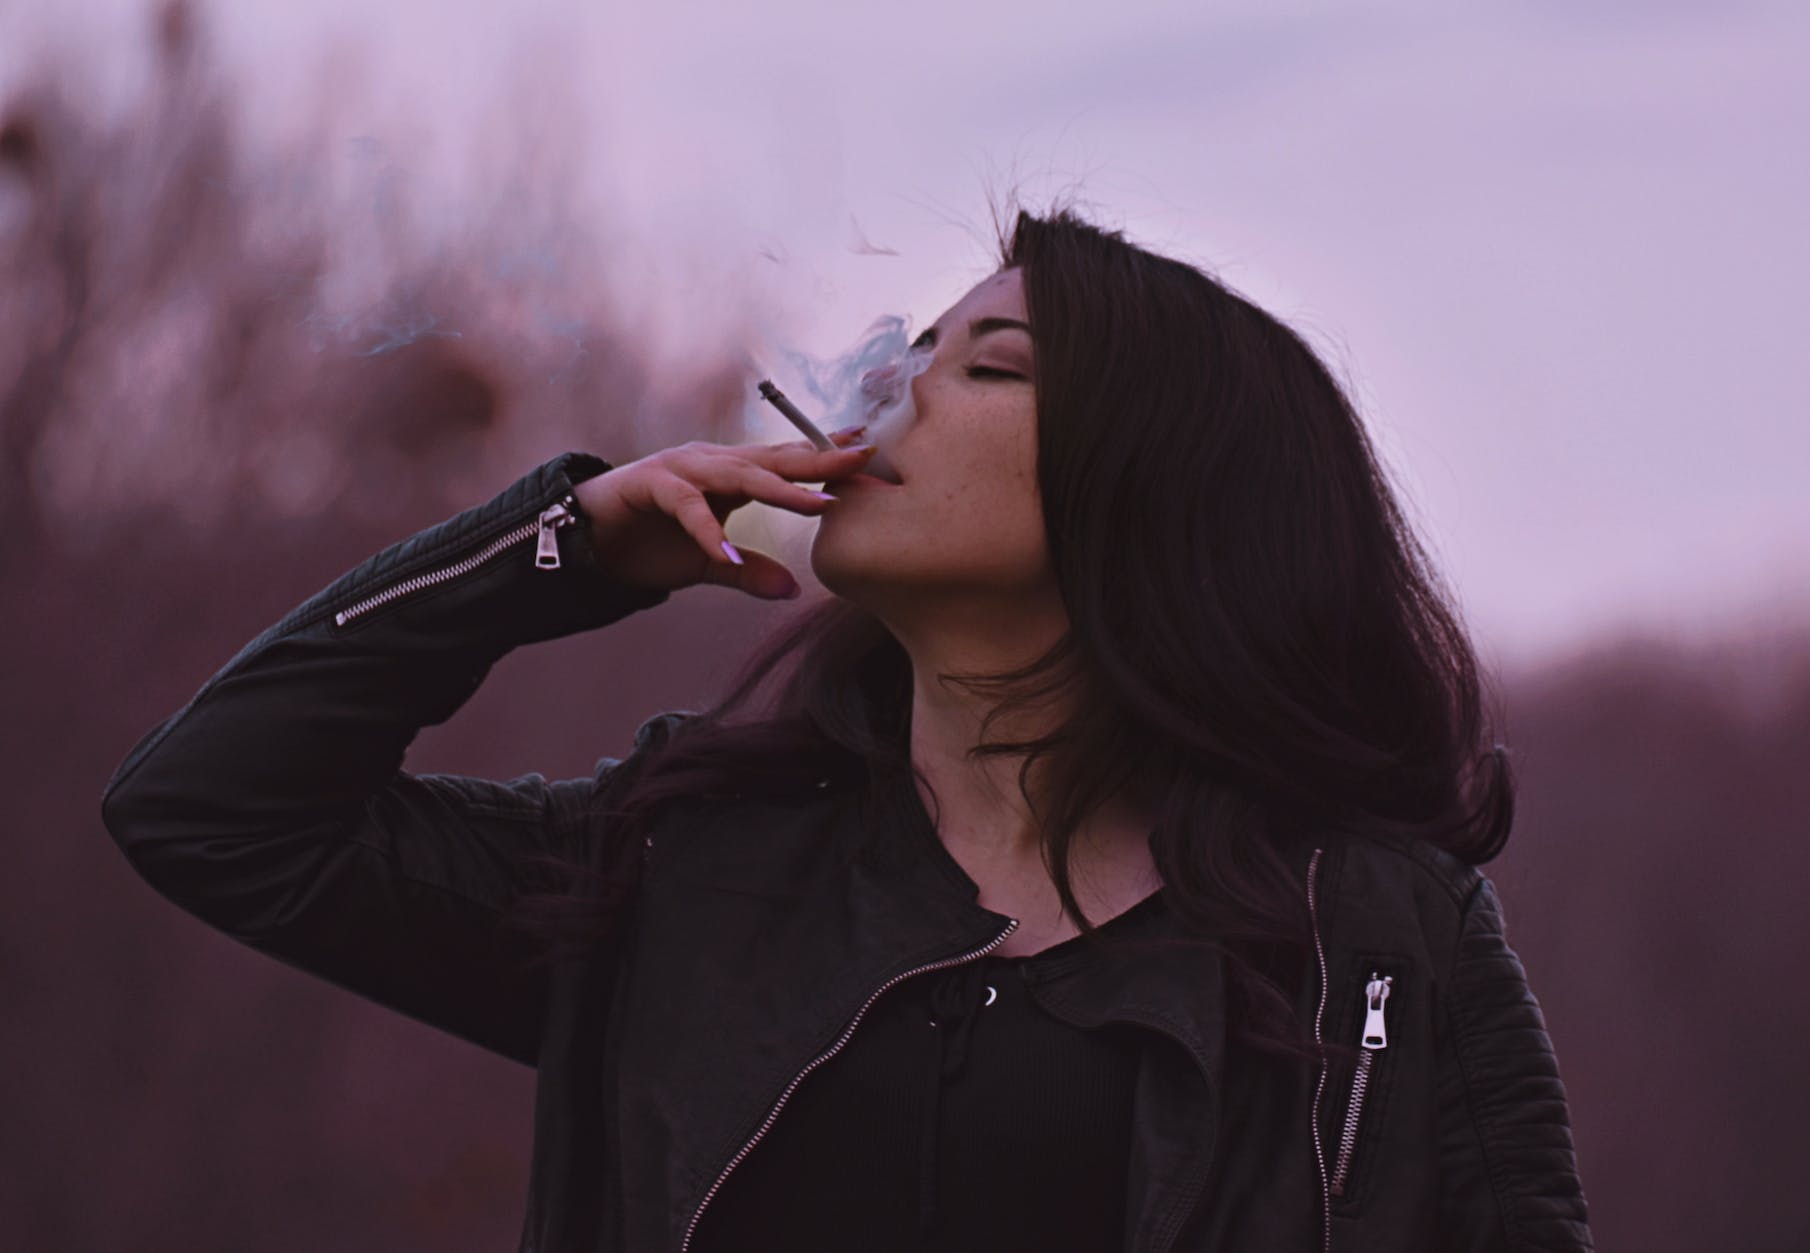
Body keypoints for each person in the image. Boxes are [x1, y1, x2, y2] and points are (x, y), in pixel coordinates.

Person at [101, 206, 1594, 1252]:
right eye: (908, 351)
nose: (886, 394)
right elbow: (216, 809)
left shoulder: (1381, 938)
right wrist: (557, 545)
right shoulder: (687, 868)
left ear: (1155, 492)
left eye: (984, 368)